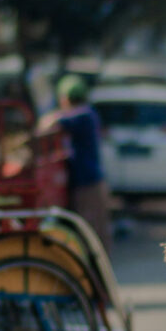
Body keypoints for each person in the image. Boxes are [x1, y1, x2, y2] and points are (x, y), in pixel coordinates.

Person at [50, 75, 111, 252]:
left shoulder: (84, 115)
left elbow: (53, 122)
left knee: (90, 231)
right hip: (88, 180)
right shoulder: (87, 114)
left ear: (66, 98)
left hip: (88, 182)